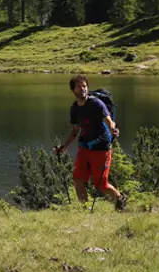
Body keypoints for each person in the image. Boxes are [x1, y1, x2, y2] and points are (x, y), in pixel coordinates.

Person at [54, 74, 128, 211]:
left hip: (101, 148)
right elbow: (76, 131)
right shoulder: (74, 108)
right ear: (73, 90)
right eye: (79, 87)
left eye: (85, 86)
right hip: (84, 147)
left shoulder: (96, 104)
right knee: (78, 179)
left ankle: (120, 199)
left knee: (101, 185)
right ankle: (86, 210)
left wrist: (113, 128)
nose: (83, 89)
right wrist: (63, 148)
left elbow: (108, 119)